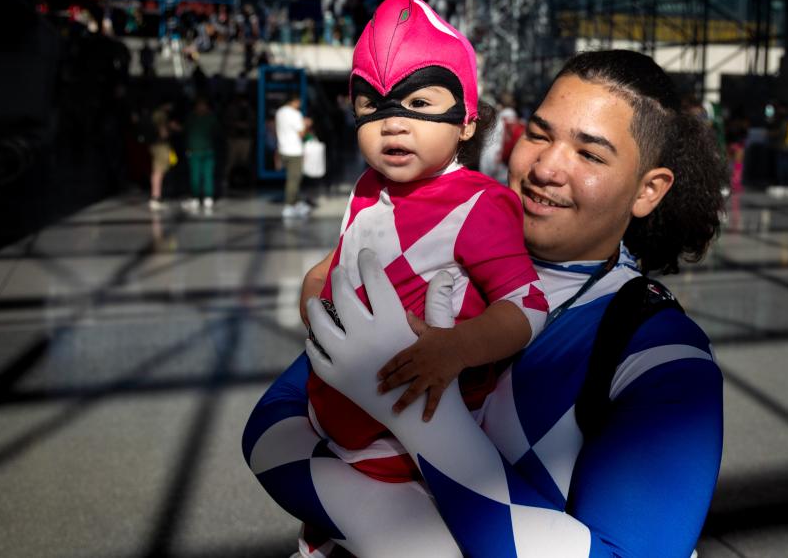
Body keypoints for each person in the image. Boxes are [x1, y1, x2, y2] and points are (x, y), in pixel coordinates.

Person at [244, 49, 726, 557]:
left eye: (590, 154)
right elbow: (271, 420)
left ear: (648, 190)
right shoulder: (440, 247)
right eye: (538, 134)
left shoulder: (662, 354)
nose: (546, 167)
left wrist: (427, 428)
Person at [299, 0, 548, 494]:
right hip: (340, 419)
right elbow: (337, 264)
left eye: (418, 103)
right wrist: (315, 305)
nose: (392, 122)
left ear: (467, 122)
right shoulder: (369, 186)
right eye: (372, 104)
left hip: (408, 448)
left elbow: (527, 305)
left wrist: (451, 350)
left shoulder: (480, 203)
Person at [275, 94, 313, 218]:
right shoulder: (295, 114)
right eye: (299, 102)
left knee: (292, 177)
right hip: (294, 151)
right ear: (294, 101)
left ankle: (296, 203)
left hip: (283, 149)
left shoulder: (279, 112)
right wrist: (307, 124)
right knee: (294, 179)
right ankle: (289, 206)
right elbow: (301, 134)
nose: (300, 104)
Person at [181, 96, 220, 214]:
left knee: (201, 175)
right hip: (199, 150)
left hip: (201, 150)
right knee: (199, 175)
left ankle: (200, 198)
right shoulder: (208, 117)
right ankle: (203, 197)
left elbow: (185, 131)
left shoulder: (195, 117)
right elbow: (217, 132)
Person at [148, 101, 179, 211]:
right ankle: (155, 197)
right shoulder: (160, 115)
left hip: (157, 145)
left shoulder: (156, 114)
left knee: (159, 170)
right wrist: (171, 128)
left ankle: (156, 196)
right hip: (160, 145)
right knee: (158, 171)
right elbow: (163, 132)